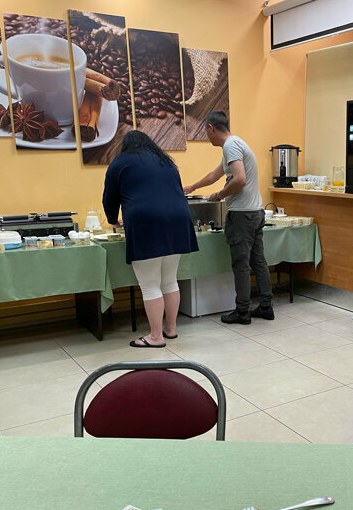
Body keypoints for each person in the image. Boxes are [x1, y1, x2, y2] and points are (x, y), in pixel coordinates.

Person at [103, 130, 198, 347]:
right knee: (170, 280)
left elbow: (110, 197)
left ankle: (156, 337)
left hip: (146, 222)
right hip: (178, 220)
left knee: (149, 284)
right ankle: (170, 329)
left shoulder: (120, 162)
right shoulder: (167, 161)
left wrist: (113, 220)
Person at [184, 110, 273, 324]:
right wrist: (192, 187)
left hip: (242, 215)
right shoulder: (236, 144)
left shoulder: (230, 146)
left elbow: (240, 179)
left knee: (241, 265)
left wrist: (219, 195)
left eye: (206, 132)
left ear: (211, 128)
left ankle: (242, 312)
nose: (207, 138)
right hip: (255, 211)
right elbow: (215, 175)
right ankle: (266, 306)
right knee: (259, 261)